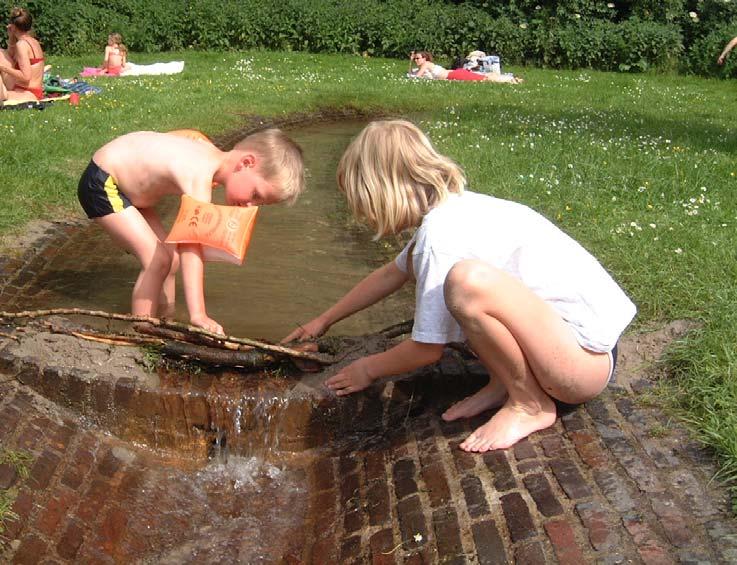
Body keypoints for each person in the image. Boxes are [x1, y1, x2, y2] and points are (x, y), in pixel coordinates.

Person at [284, 119, 636, 452]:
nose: (363, 216)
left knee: (466, 285)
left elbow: (426, 350)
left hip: (582, 365)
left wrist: (367, 369)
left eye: (363, 204)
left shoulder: (442, 236)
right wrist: (323, 321)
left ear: (383, 191)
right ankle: (504, 384)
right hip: (576, 350)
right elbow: (391, 274)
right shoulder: (454, 211)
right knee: (462, 293)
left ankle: (530, 404)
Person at [78, 129, 305, 334]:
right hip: (105, 182)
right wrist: (199, 314)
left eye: (260, 203)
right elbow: (191, 246)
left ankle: (166, 320)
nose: (251, 206)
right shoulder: (199, 174)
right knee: (157, 260)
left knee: (172, 260)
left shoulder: (206, 152)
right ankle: (140, 330)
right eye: (256, 195)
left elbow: (179, 140)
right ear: (246, 162)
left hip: (131, 190)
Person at [0, 7, 45, 103]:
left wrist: (3, 68)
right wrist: (11, 36)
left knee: (2, 95)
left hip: (29, 93)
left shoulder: (22, 45)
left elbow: (26, 76)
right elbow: (10, 58)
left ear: (14, 26)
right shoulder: (32, 41)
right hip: (27, 89)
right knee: (1, 53)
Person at [411, 51, 522, 84]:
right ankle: (510, 78)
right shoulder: (427, 66)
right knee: (483, 76)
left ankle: (510, 80)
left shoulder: (425, 65)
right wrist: (410, 61)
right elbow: (411, 72)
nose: (416, 60)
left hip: (454, 74)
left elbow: (417, 76)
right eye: (415, 59)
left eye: (418, 58)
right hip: (455, 73)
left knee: (484, 79)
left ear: (424, 59)